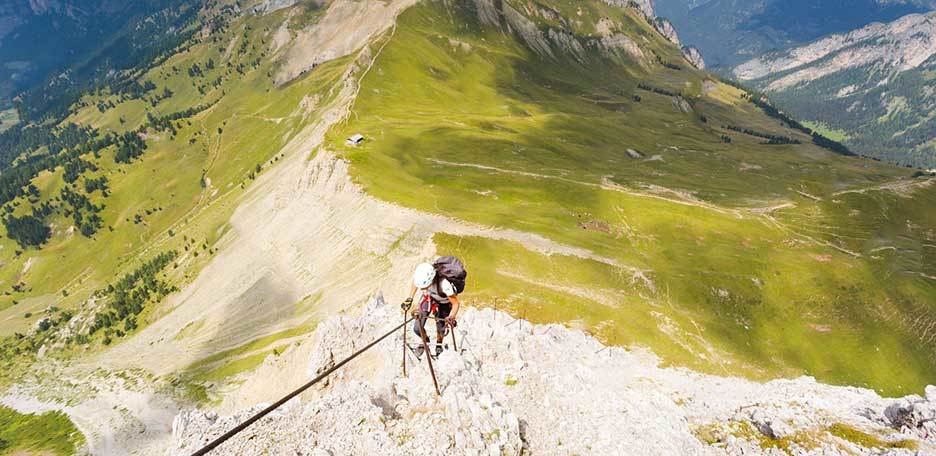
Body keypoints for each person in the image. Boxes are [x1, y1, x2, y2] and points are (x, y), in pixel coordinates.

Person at [402, 262, 460, 357]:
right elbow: (415, 283)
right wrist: (410, 298)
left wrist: (451, 317)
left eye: (423, 287)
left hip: (444, 303)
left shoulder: (444, 285)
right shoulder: (423, 277)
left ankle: (439, 343)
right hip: (428, 298)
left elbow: (455, 303)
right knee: (417, 328)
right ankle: (426, 341)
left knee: (441, 328)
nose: (421, 289)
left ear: (430, 280)